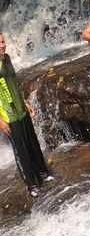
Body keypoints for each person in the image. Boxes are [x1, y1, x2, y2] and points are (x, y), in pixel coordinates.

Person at [0, 33, 54, 197]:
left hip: (20, 108)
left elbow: (14, 83)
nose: (2, 45)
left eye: (3, 41)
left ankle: (43, 173)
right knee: (20, 149)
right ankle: (32, 185)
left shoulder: (7, 59)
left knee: (32, 142)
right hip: (8, 114)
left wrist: (25, 102)